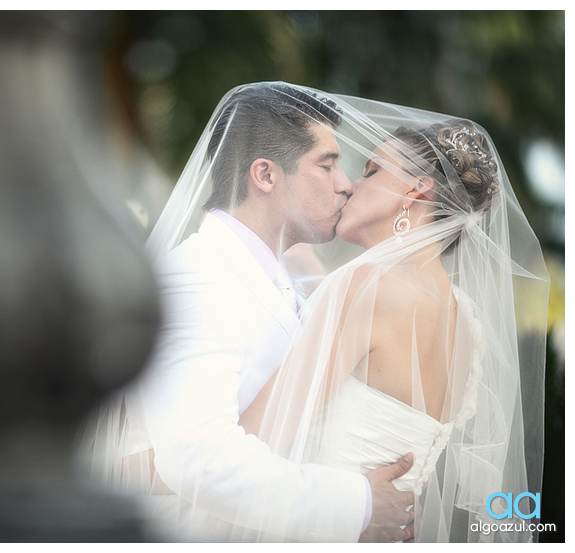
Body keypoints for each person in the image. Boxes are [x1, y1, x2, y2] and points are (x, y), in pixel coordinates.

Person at [78, 82, 417, 542]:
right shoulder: (197, 278)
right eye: (327, 163)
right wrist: (355, 505)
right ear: (265, 175)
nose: (346, 183)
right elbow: (201, 457)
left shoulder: (281, 282)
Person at [238, 114, 548, 542]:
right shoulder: (465, 320)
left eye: (372, 170)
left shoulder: (367, 287)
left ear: (416, 188)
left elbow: (257, 438)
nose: (349, 185)